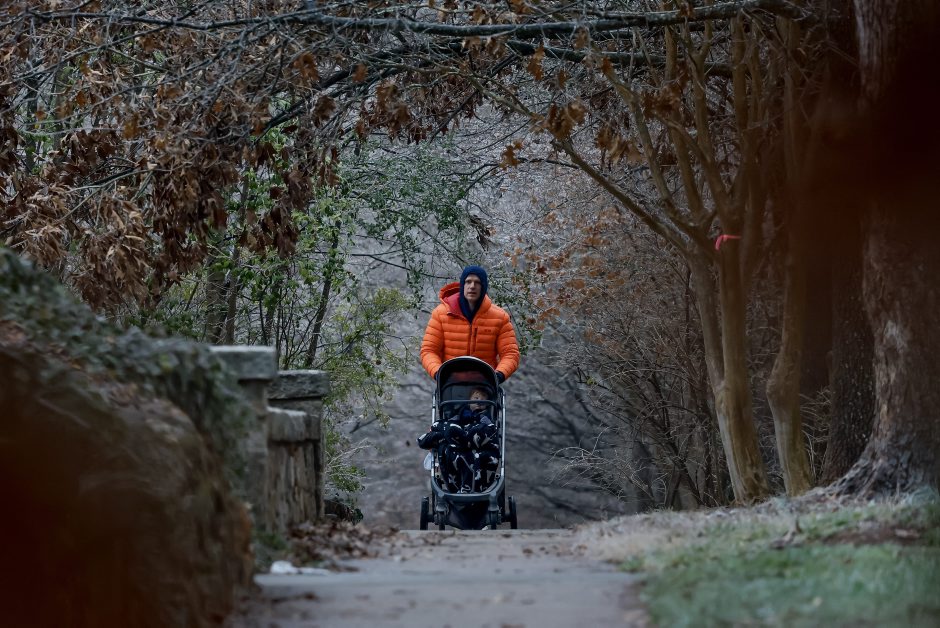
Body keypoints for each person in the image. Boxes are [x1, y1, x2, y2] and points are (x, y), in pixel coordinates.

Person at [420, 265, 520, 384]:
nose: (472, 286)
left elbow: (510, 354)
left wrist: (498, 375)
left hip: (485, 386)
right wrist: (439, 373)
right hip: (450, 385)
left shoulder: (500, 317)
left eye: (477, 282)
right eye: (468, 281)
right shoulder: (441, 314)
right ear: (462, 285)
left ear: (483, 287)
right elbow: (429, 350)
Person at [416, 386, 500, 492]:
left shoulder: (485, 418)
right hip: (458, 442)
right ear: (469, 400)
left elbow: (489, 431)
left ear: (487, 404)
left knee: (476, 433)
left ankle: (460, 439)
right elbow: (449, 424)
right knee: (446, 432)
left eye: (483, 400)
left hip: (475, 446)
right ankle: (438, 437)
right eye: (476, 398)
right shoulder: (459, 415)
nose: (479, 402)